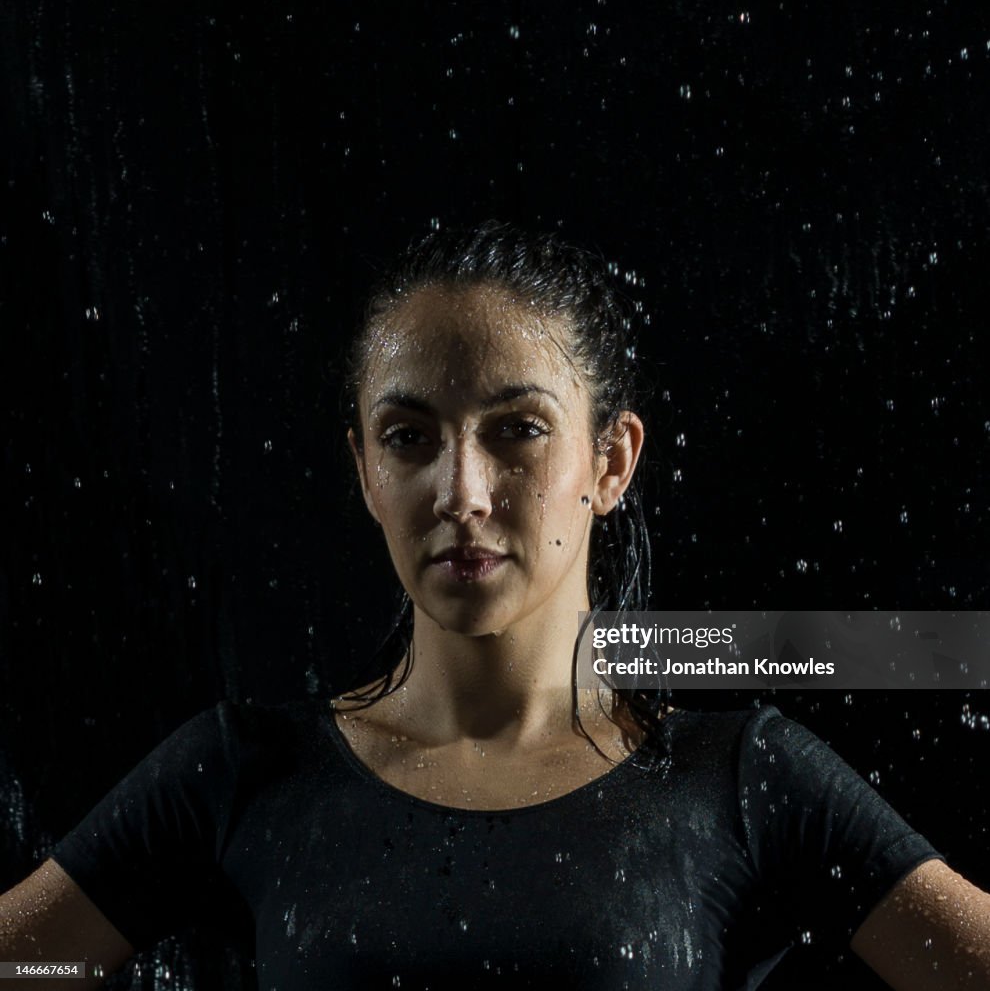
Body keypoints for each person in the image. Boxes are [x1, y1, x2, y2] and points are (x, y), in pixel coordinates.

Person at [1, 221, 988, 990]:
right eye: (409, 436)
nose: (463, 490)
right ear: (365, 471)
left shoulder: (742, 779)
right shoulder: (242, 775)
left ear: (611, 461)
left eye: (516, 429)